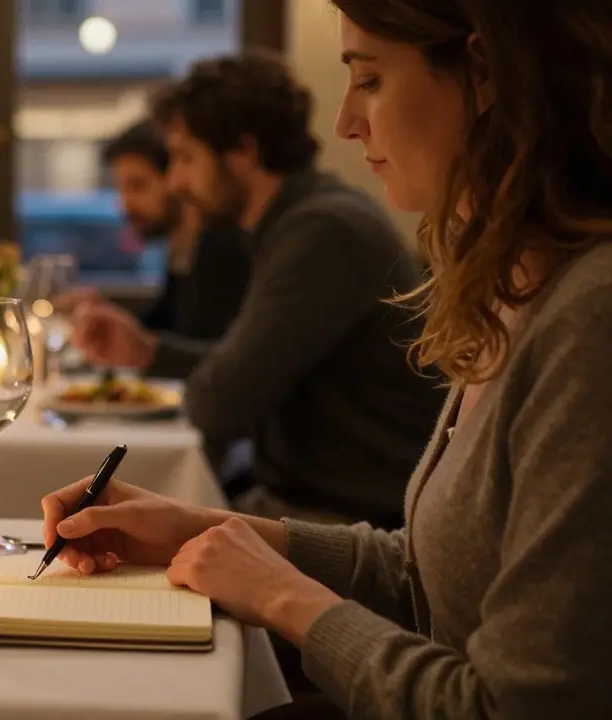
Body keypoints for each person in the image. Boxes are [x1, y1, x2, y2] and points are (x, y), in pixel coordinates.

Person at [42, 0, 612, 716]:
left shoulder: (589, 319)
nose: (346, 123)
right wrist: (203, 527)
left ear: (484, 73)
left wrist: (281, 594)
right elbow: (420, 576)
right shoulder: (514, 289)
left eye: (368, 80)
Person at [71, 53, 445, 526]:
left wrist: (182, 363)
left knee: (102, 536)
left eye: (186, 157)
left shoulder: (323, 232)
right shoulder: (300, 222)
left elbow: (220, 404)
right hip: (313, 503)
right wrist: (147, 352)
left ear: (243, 153)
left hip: (348, 523)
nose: (177, 181)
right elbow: (236, 372)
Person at [100, 120, 250, 341]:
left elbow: (208, 352)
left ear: (174, 178)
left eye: (138, 185)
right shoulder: (182, 248)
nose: (125, 204)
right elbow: (163, 327)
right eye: (120, 189)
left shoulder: (224, 248)